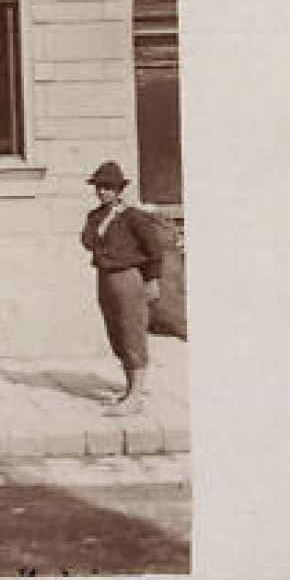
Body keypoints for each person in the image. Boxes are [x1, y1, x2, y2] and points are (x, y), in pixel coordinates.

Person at [79, 160, 166, 416]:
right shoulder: (95, 216)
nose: (102, 191)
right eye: (98, 187)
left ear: (119, 190)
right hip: (105, 278)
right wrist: (104, 223)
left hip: (129, 278)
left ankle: (136, 397)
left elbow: (155, 249)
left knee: (132, 332)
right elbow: (87, 242)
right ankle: (129, 390)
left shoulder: (134, 216)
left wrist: (153, 280)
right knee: (116, 333)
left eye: (107, 187)